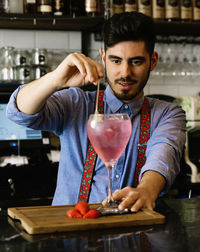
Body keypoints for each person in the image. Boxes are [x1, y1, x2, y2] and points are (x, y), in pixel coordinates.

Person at [6, 12, 186, 212]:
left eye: (136, 62)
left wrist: (146, 190)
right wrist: (56, 79)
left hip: (136, 231)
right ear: (103, 58)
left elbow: (163, 155)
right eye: (116, 61)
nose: (125, 73)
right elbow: (18, 112)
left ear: (152, 61)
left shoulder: (168, 114)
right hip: (68, 231)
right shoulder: (76, 103)